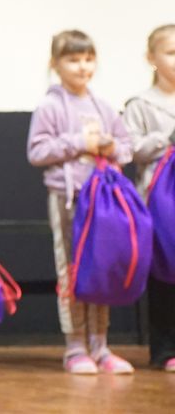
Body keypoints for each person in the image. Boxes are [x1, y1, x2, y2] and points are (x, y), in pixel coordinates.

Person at [27, 29, 134, 375]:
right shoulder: (50, 106)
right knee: (70, 270)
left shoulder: (103, 106)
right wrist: (79, 142)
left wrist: (110, 147)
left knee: (100, 270)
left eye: (88, 59)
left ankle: (100, 346)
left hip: (104, 201)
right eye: (73, 59)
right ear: (55, 64)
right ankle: (75, 347)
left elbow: (127, 147)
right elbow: (37, 151)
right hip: (67, 198)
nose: (82, 66)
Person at [122, 23, 175, 371]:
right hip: (160, 199)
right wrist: (164, 139)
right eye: (170, 52)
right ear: (151, 58)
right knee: (165, 271)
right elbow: (130, 149)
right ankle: (165, 349)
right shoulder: (141, 104)